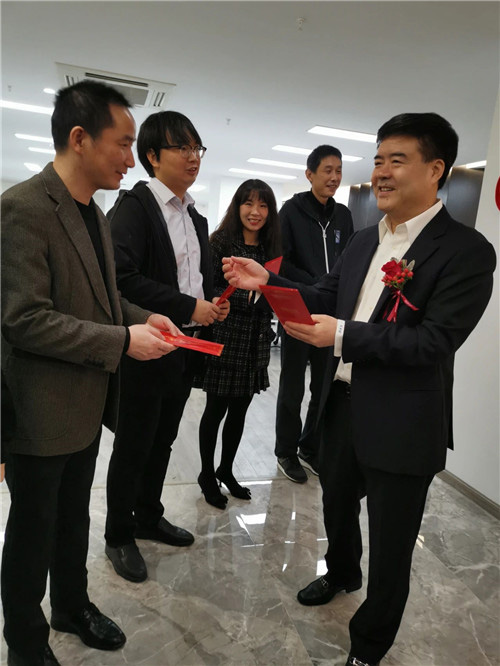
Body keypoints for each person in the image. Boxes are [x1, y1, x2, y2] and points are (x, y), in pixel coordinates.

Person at [222, 112, 496, 666]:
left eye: (397, 160)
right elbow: (326, 293)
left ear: (435, 170)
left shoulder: (466, 251)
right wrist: (268, 280)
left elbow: (434, 342)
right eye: (377, 160)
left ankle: (368, 648)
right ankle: (342, 573)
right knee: (337, 505)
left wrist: (344, 335)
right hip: (341, 406)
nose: (381, 173)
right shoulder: (366, 239)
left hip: (404, 420)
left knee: (392, 544)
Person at [1, 81, 178, 666]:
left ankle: (71, 607)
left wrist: (143, 318)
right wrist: (123, 340)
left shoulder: (95, 214)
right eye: (123, 143)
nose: (131, 158)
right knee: (32, 533)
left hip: (84, 403)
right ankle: (26, 644)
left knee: (74, 518)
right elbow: (25, 320)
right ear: (80, 139)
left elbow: (102, 301)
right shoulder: (23, 208)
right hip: (39, 412)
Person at [104, 111, 229, 583]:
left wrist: (211, 302)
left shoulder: (195, 215)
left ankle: (148, 516)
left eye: (197, 148)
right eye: (182, 148)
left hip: (184, 347)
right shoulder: (135, 208)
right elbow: (122, 279)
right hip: (146, 344)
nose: (193, 157)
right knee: (134, 443)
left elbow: (194, 278)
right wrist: (187, 305)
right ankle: (118, 534)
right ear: (153, 156)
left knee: (163, 438)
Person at [194, 179, 281, 509]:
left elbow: (275, 290)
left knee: (240, 411)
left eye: (263, 205)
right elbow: (206, 286)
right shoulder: (220, 242)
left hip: (255, 341)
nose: (255, 212)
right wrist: (245, 298)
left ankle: (226, 469)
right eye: (249, 203)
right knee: (215, 409)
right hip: (225, 336)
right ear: (238, 206)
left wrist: (265, 299)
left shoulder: (270, 249)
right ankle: (206, 474)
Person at [275, 145, 353, 483]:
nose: (334, 177)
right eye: (327, 170)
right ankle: (286, 451)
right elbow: (281, 261)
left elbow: (349, 260)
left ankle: (310, 447)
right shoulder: (291, 212)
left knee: (323, 388)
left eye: (339, 171)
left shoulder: (343, 216)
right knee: (292, 387)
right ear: (310, 174)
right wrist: (317, 283)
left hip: (331, 317)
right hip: (297, 311)